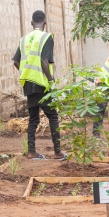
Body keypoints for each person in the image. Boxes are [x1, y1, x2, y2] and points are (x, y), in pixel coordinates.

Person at [12, 10, 66, 161]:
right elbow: (44, 62)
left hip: (29, 84)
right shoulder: (46, 37)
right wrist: (51, 80)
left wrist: (25, 72)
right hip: (42, 84)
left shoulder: (24, 39)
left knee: (33, 119)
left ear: (31, 22)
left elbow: (16, 61)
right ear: (45, 22)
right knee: (53, 117)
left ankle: (31, 152)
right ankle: (57, 153)